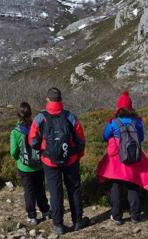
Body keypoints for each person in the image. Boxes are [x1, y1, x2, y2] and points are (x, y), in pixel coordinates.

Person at [28, 88, 89, 234]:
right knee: (74, 189)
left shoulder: (40, 118)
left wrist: (43, 150)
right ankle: (77, 221)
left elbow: (32, 140)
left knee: (55, 192)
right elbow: (80, 138)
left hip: (49, 162)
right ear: (61, 100)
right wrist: (78, 154)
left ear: (48, 100)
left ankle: (59, 225)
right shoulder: (70, 116)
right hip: (71, 159)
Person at [97, 91, 148, 225]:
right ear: (131, 107)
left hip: (116, 160)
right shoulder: (137, 122)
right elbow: (141, 138)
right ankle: (135, 216)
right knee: (133, 186)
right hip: (133, 158)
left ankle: (117, 216)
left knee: (116, 187)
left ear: (118, 107)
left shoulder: (113, 123)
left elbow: (105, 136)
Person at [10, 102, 50, 225]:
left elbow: (13, 152)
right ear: (30, 113)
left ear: (18, 115)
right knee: (40, 189)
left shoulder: (15, 132)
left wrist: (19, 159)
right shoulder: (36, 127)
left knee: (29, 191)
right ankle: (45, 211)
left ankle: (32, 216)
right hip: (38, 165)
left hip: (24, 167)